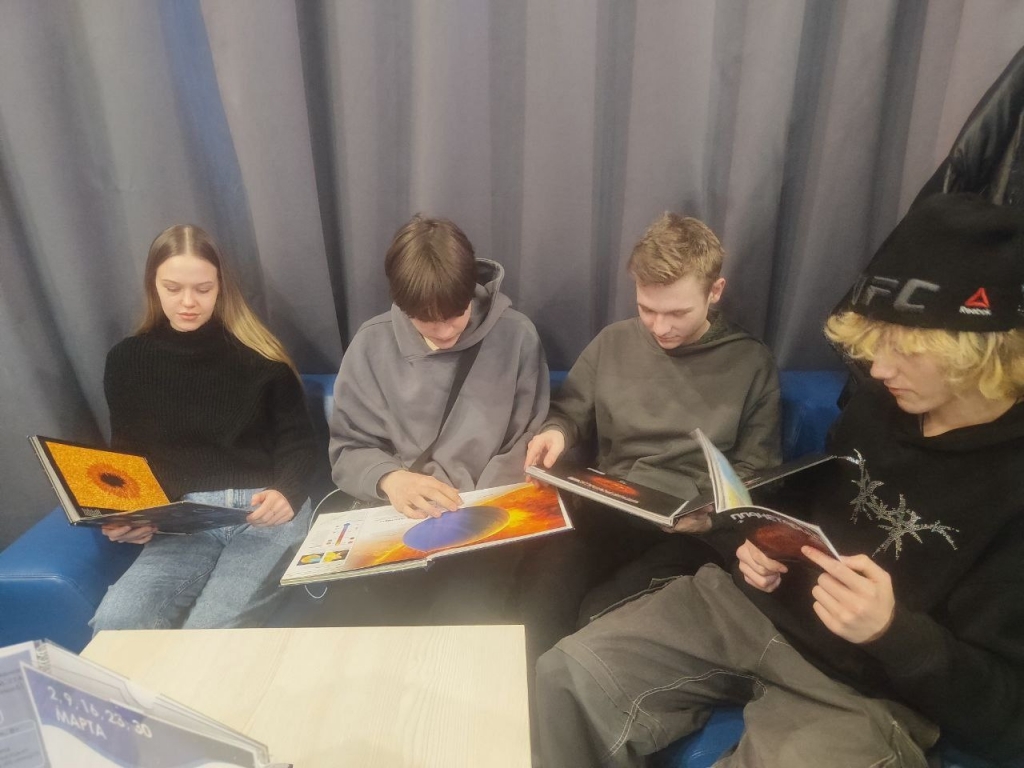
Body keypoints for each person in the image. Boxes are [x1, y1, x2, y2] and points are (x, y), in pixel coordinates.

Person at [535, 194, 1024, 767]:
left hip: (866, 687)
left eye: (909, 352)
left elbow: (1005, 715)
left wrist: (892, 632)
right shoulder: (878, 404)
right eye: (878, 344)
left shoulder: (1008, 483)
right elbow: (810, 499)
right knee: (563, 676)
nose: (880, 368)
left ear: (984, 353)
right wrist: (754, 541)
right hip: (750, 604)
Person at [522, 212, 781, 650]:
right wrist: (556, 434)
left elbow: (758, 472)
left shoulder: (751, 362)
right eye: (647, 309)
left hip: (692, 533)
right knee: (537, 604)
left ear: (715, 291)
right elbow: (570, 412)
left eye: (678, 312)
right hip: (609, 509)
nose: (661, 328)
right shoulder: (613, 342)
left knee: (598, 622)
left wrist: (712, 518)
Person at [91, 224, 317, 631]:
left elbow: (299, 443)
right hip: (184, 520)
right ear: (153, 286)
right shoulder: (126, 361)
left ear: (221, 288)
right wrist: (124, 516)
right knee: (115, 622)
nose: (188, 302)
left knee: (210, 629)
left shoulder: (261, 358)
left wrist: (289, 492)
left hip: (262, 511)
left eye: (203, 289)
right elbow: (125, 456)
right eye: (173, 288)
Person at [324, 213, 549, 622]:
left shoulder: (516, 336)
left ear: (470, 292)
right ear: (403, 305)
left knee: (466, 617)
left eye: (456, 314)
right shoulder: (371, 344)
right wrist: (391, 479)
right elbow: (348, 447)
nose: (445, 332)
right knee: (354, 623)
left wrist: (476, 511)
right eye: (427, 320)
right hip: (397, 519)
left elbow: (526, 442)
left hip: (485, 521)